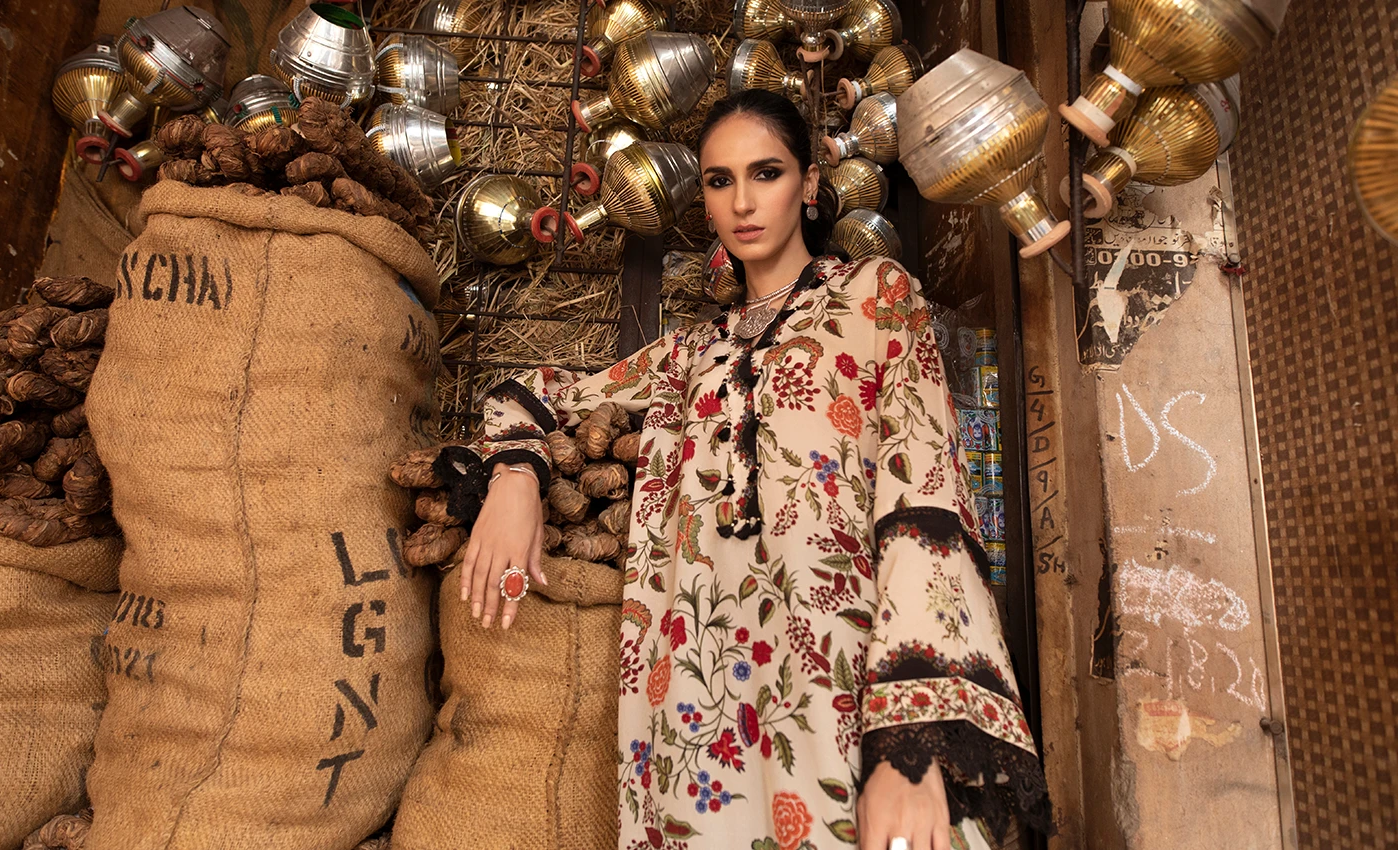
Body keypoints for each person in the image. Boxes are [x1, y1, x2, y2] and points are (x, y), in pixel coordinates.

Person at [442, 89, 1052, 850]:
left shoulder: (874, 297)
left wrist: (914, 741)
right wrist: (515, 478)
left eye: (766, 173)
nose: (742, 201)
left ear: (810, 183)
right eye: (719, 180)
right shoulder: (690, 355)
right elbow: (535, 394)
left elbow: (926, 490)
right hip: (698, 693)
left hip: (842, 670)